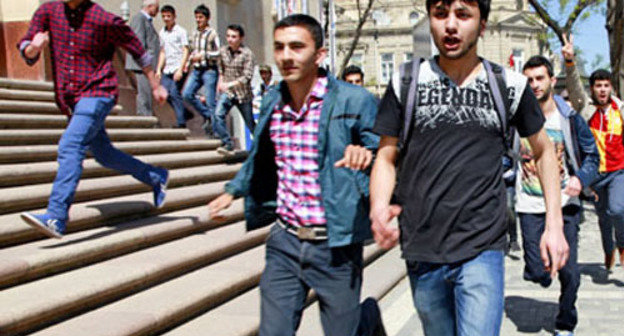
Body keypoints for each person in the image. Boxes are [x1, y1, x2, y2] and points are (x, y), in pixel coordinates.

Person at [369, 0, 570, 335]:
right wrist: (378, 206)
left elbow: (544, 151)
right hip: (423, 248)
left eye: (462, 15)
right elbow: (386, 158)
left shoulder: (509, 85)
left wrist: (554, 223)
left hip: (483, 247)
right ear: (429, 19)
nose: (450, 25)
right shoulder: (405, 82)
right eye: (440, 14)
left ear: (482, 24)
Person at [208, 14, 385, 336]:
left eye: (297, 47)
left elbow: (386, 157)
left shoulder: (354, 99)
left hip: (337, 244)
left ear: (319, 54)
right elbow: (261, 153)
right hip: (285, 242)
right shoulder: (274, 99)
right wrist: (233, 190)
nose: (286, 56)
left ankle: (367, 319)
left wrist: (366, 155)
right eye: (279, 47)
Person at [17, 0, 169, 239]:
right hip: (70, 99)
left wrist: (155, 84)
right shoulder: (49, 11)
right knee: (104, 154)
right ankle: (156, 176)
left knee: (70, 145)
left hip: (98, 93)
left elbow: (139, 50)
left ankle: (56, 216)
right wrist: (32, 49)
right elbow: (26, 43)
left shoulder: (104, 19)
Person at [518, 56, 599, 336]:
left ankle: (565, 322)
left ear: (552, 80)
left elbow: (592, 156)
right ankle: (542, 272)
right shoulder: (516, 118)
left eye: (540, 78)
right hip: (529, 204)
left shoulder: (569, 118)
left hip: (565, 203)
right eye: (528, 80)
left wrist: (580, 179)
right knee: (537, 271)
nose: (534, 85)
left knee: (570, 272)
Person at [563, 34, 624, 271]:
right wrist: (570, 62)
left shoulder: (620, 110)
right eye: (598, 85)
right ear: (593, 89)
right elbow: (574, 86)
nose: (602, 89)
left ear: (611, 87)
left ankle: (622, 244)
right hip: (595, 173)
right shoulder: (586, 108)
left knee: (618, 210)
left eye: (606, 85)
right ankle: (608, 251)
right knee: (603, 217)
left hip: (618, 171)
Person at [212, 24, 256, 155]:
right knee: (218, 115)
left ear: (241, 38)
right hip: (228, 93)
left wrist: (230, 84)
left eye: (234, 36)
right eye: (228, 36)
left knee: (250, 123)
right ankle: (227, 143)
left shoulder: (247, 54)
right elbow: (221, 70)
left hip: (243, 95)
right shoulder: (223, 51)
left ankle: (263, 146)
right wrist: (220, 84)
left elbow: (247, 76)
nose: (230, 39)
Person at [182, 4, 220, 137]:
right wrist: (188, 62)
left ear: (207, 18)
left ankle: (215, 132)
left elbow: (219, 53)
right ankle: (208, 116)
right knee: (187, 94)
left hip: (209, 70)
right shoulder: (195, 33)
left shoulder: (212, 33)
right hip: (197, 70)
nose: (198, 20)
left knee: (210, 101)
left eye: (201, 17)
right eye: (197, 17)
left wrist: (204, 55)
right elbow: (192, 50)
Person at [156, 4, 193, 128]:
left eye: (168, 16)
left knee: (174, 92)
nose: (166, 18)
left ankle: (181, 123)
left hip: (178, 67)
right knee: (165, 93)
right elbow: (162, 52)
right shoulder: (162, 32)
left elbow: (186, 50)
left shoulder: (181, 31)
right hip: (168, 68)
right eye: (164, 16)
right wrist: (158, 69)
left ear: (174, 16)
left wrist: (181, 69)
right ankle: (185, 112)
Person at [126, 0, 160, 117]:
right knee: (144, 95)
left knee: (146, 94)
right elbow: (138, 44)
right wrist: (147, 63)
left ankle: (146, 117)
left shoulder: (146, 20)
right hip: (141, 66)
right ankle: (145, 120)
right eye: (156, 7)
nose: (158, 11)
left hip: (145, 66)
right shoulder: (139, 19)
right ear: (149, 6)